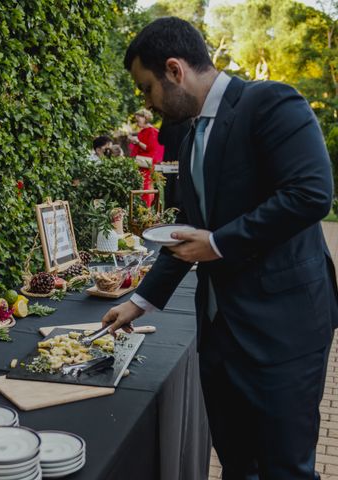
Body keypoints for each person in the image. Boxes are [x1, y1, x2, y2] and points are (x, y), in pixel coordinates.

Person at [102, 17, 338, 480]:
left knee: (285, 470)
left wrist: (218, 243)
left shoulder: (271, 102)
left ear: (175, 70)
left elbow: (311, 194)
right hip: (220, 335)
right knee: (237, 466)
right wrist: (140, 301)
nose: (146, 102)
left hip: (284, 329)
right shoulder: (190, 136)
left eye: (146, 88)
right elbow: (190, 233)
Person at [128, 109, 164, 206]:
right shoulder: (142, 131)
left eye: (138, 118)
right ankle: (142, 208)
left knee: (146, 186)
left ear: (145, 118)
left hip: (146, 164)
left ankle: (146, 209)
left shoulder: (151, 131)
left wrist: (137, 142)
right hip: (141, 163)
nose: (137, 121)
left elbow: (149, 147)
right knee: (141, 185)